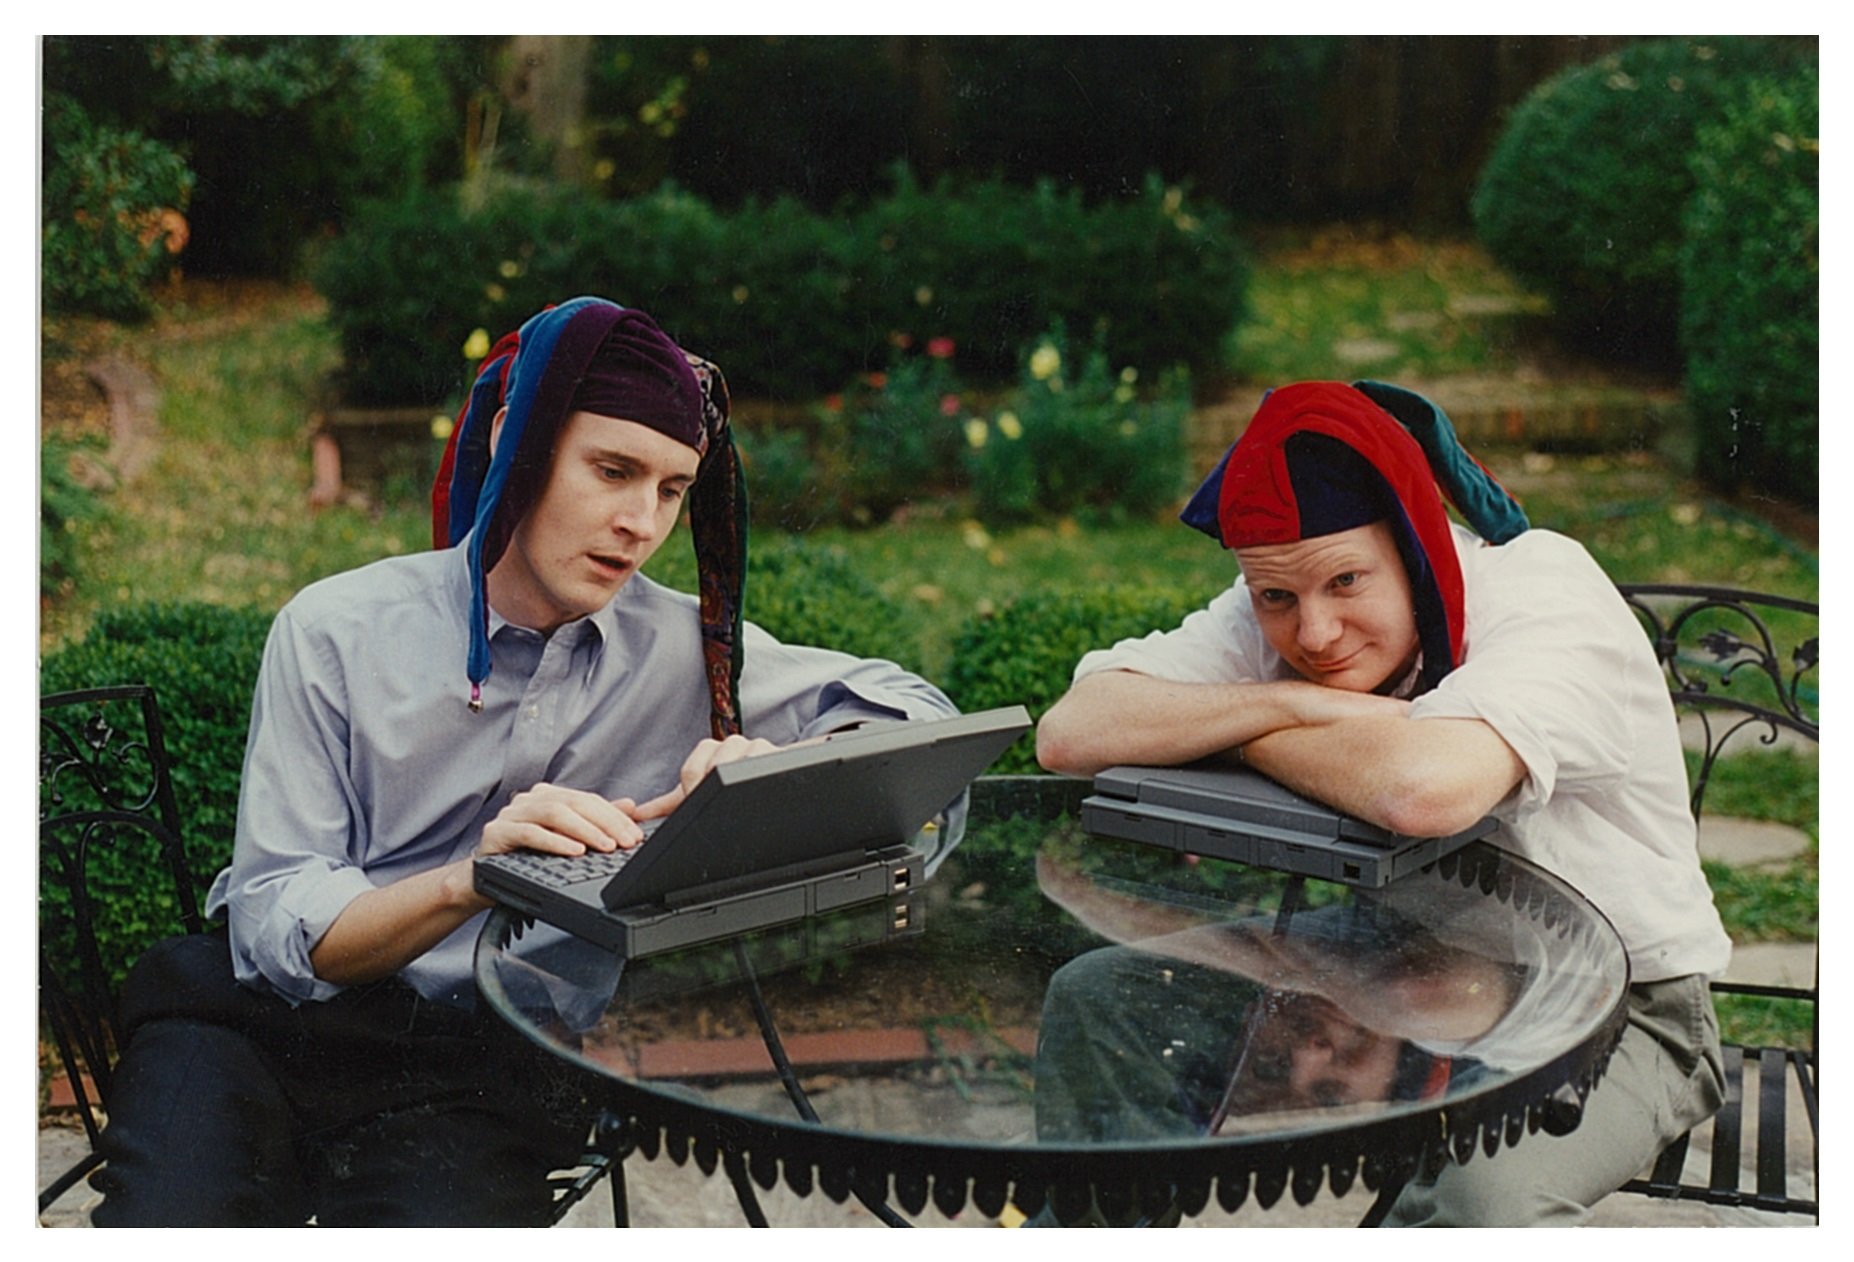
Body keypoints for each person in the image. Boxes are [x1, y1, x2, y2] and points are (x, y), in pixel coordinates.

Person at [92, 297, 959, 1226]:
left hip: (479, 1067)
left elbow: (921, 718)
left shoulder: (681, 648)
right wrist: (475, 879)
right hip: (251, 1028)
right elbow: (277, 922)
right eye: (613, 470)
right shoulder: (336, 630)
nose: (640, 522)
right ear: (519, 439)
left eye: (672, 489)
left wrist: (772, 776)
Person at [1034, 380, 1730, 1227]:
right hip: (1395, 960)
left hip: (1616, 1005)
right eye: (1277, 599)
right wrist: (1293, 704)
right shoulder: (1285, 590)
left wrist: (1229, 728)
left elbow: (1424, 789)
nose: (1315, 634)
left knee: (1476, 1204)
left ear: (1419, 545)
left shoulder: (1545, 593)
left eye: (1348, 582)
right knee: (1102, 998)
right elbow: (1073, 731)